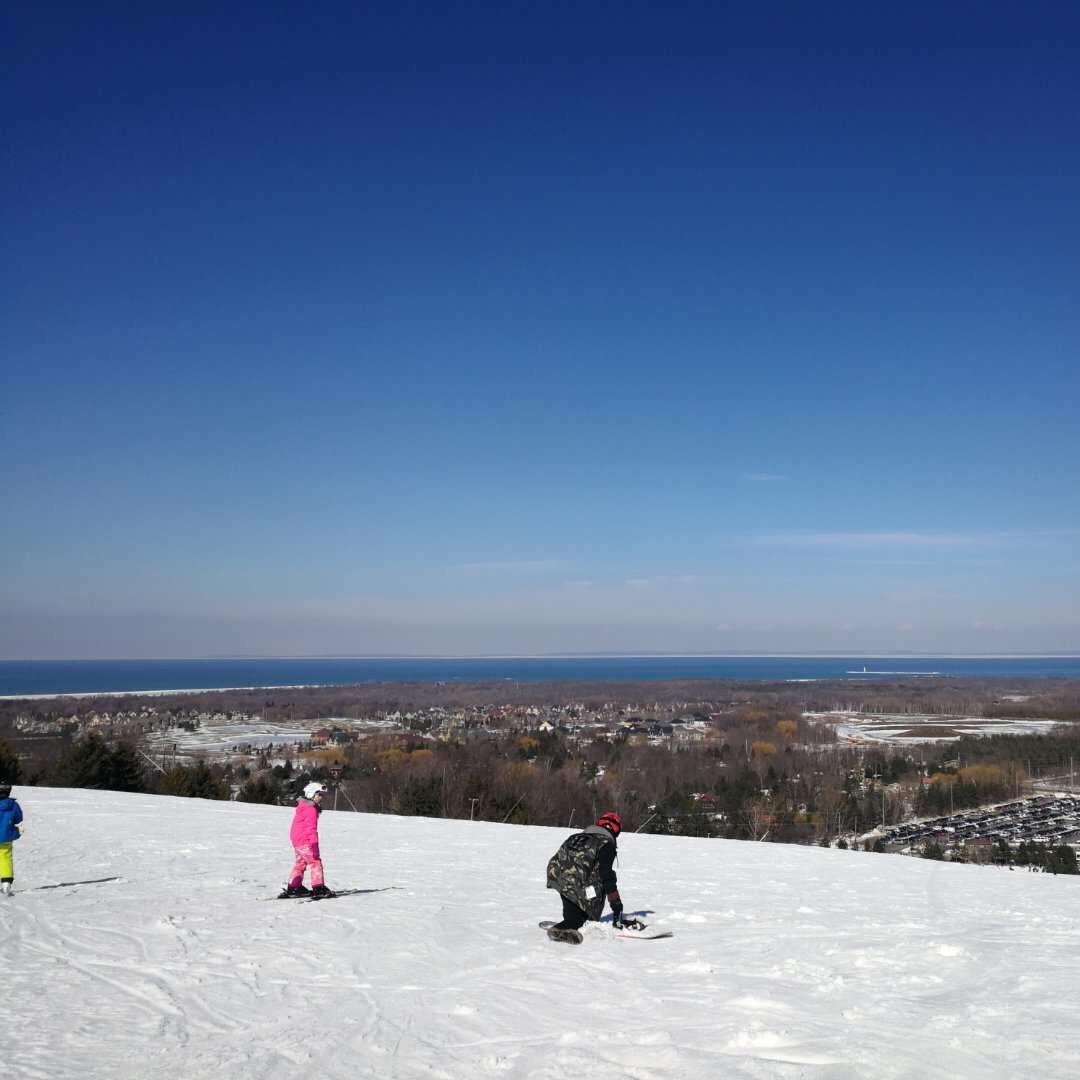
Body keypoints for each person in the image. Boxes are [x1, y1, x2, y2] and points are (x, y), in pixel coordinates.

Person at [545, 811, 637, 943]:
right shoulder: (606, 844)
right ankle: (564, 927)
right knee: (581, 916)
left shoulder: (576, 837)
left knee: (575, 907)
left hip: (557, 877)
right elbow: (606, 875)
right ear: (616, 832)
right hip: (576, 881)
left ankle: (570, 921)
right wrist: (616, 905)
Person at [280, 782, 334, 898]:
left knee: (300, 863)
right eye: (319, 794)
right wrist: (314, 844)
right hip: (305, 841)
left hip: (297, 841)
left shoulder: (303, 806)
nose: (321, 798)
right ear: (311, 794)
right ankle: (318, 888)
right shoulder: (311, 809)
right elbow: (311, 829)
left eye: (322, 795)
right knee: (315, 861)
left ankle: (294, 887)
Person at [0, 783, 24, 897]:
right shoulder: (13, 805)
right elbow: (19, 818)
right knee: (5, 859)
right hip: (6, 837)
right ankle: (6, 884)